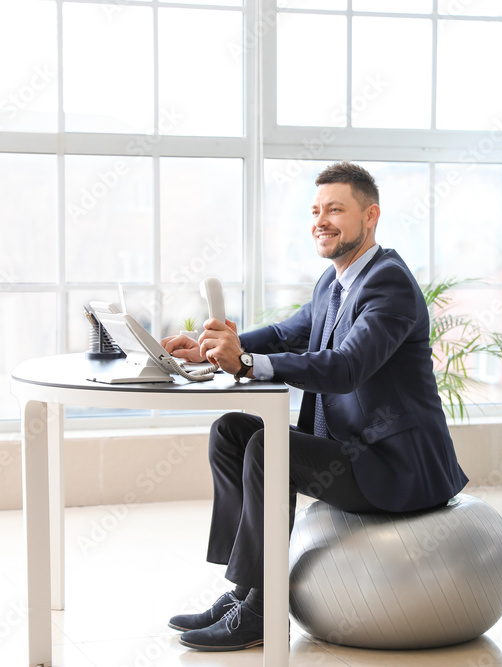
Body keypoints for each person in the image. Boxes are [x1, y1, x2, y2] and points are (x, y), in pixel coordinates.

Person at [161, 161, 469, 652]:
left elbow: (346, 367)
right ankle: (244, 588)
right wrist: (211, 350)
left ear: (371, 216)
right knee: (231, 431)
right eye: (316, 210)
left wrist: (246, 363)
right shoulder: (334, 282)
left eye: (335, 209)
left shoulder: (389, 285)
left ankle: (260, 613)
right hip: (350, 450)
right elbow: (288, 332)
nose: (321, 220)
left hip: (397, 467)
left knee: (268, 447)